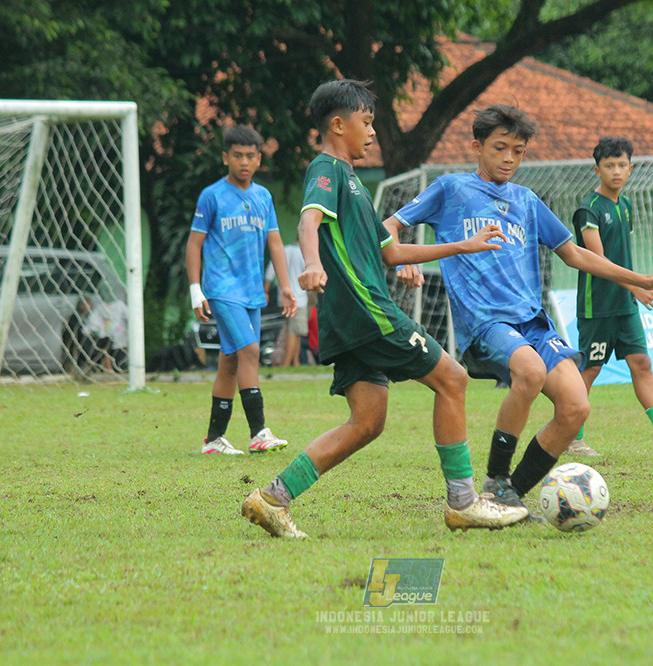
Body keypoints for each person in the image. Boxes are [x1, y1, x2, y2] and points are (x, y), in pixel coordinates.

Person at [241, 80, 529, 538]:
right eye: (367, 122)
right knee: (453, 378)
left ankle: (273, 497)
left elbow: (390, 252)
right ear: (339, 124)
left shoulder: (353, 182)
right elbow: (307, 219)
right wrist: (311, 264)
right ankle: (464, 502)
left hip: (348, 319)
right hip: (364, 310)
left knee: (367, 422)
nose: (372, 132)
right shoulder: (327, 169)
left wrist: (462, 246)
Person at [384, 105, 653, 518]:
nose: (509, 158)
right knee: (528, 372)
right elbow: (389, 226)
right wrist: (405, 258)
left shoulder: (527, 201)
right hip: (486, 321)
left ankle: (508, 496)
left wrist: (643, 280)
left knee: (576, 406)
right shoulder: (451, 189)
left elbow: (575, 255)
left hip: (533, 322)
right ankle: (495, 478)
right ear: (477, 147)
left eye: (518, 151)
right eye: (500, 148)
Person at [572, 136, 653, 458]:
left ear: (630, 168)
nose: (616, 171)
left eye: (622, 165)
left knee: (642, 364)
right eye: (609, 166)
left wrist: (636, 290)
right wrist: (639, 287)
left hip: (625, 305)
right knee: (590, 370)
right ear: (597, 169)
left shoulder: (626, 205)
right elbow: (600, 263)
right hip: (598, 308)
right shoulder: (588, 210)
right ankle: (572, 438)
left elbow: (622, 258)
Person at [186, 124, 296, 456]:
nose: (244, 162)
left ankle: (214, 440)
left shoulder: (263, 197)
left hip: (251, 291)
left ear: (259, 159)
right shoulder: (212, 195)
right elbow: (194, 245)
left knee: (230, 360)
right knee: (250, 351)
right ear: (225, 157)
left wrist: (286, 287)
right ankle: (258, 432)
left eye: (250, 156)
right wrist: (196, 289)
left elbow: (275, 243)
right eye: (237, 156)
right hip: (221, 288)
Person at [265, 243, 310, 366]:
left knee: (295, 332)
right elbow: (308, 274)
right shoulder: (304, 254)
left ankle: (296, 362)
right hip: (298, 299)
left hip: (283, 298)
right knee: (293, 332)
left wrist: (265, 292)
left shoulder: (282, 250)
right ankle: (286, 364)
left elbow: (270, 273)